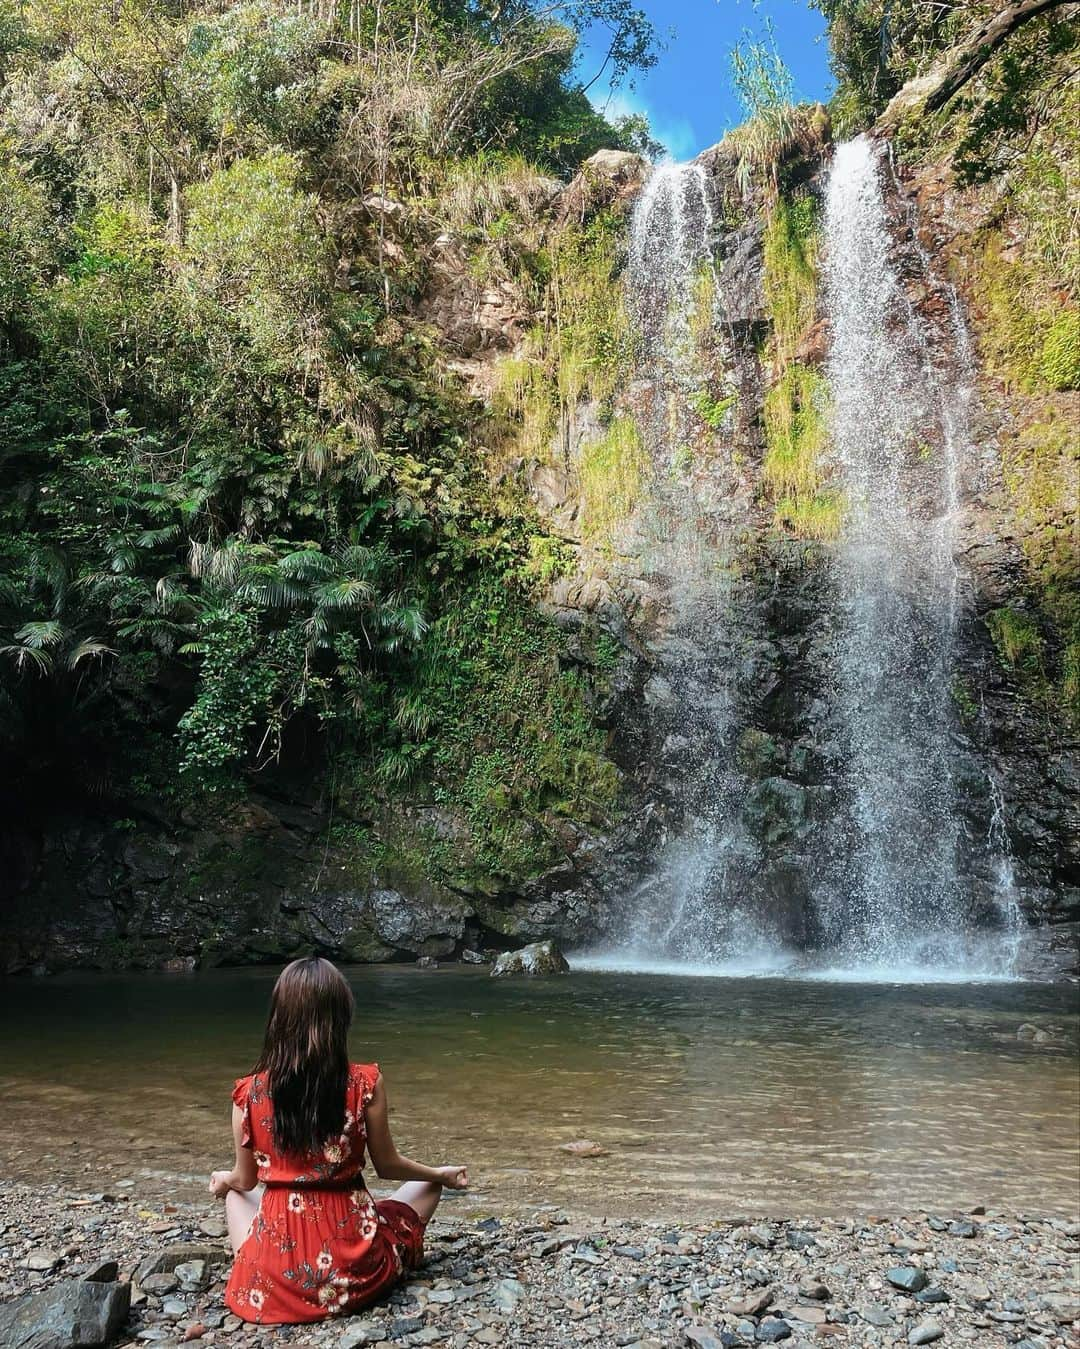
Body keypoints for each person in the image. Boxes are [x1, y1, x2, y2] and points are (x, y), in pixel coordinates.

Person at [208, 956, 468, 1324]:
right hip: (354, 1271)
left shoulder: (248, 1094)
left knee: (236, 1195)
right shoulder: (364, 1084)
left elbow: (245, 1180)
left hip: (274, 1280)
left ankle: (266, 1268)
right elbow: (388, 1166)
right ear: (340, 1016)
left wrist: (224, 1180)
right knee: (426, 1186)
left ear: (278, 1018)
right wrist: (440, 1175)